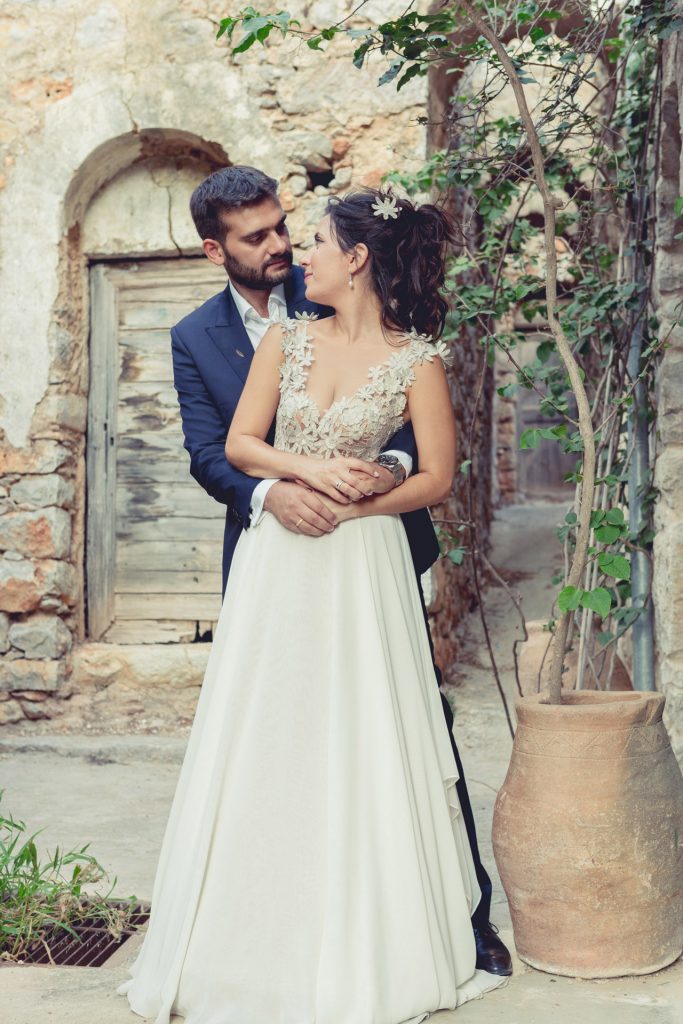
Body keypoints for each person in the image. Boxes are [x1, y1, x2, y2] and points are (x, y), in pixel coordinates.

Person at [119, 172, 510, 1024]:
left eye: (302, 238)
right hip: (279, 560)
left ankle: (440, 924)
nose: (291, 252)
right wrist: (297, 478)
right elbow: (226, 448)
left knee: (389, 735)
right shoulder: (244, 340)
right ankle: (249, 937)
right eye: (261, 238)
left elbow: (435, 471)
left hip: (366, 561)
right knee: (267, 734)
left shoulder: (413, 355)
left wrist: (370, 489)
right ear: (216, 246)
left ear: (357, 258)